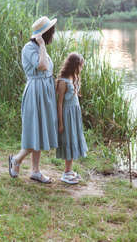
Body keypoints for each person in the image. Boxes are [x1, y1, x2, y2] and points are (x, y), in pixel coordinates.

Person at [8, 16, 58, 183]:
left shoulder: (39, 47)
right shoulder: (30, 48)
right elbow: (42, 66)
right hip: (34, 92)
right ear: (44, 35)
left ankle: (35, 171)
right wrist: (42, 45)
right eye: (51, 32)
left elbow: (48, 71)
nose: (53, 35)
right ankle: (16, 160)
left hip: (44, 92)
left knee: (41, 130)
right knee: (34, 130)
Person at [55, 53, 88, 184]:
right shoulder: (63, 81)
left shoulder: (73, 78)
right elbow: (60, 103)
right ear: (75, 65)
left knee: (74, 138)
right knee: (68, 140)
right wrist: (61, 123)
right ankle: (66, 173)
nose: (81, 68)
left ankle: (69, 170)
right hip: (67, 116)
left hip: (74, 115)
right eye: (80, 66)